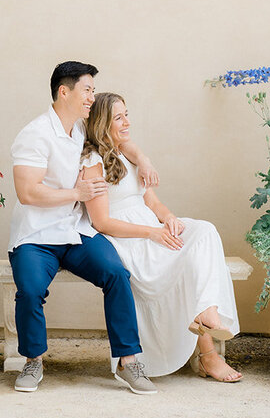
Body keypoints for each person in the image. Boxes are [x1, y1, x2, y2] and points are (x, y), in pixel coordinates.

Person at [9, 62, 159, 395]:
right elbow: (28, 192)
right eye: (87, 90)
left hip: (76, 233)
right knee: (31, 290)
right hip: (36, 237)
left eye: (93, 90)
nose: (92, 97)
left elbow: (118, 138)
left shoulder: (80, 130)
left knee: (116, 274)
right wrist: (77, 194)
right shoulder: (34, 134)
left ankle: (129, 362)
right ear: (65, 92)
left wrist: (144, 158)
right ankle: (33, 360)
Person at [80, 92, 242, 383]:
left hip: (152, 229)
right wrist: (152, 232)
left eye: (127, 114)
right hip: (129, 240)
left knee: (204, 231)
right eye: (119, 117)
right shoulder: (93, 162)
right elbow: (101, 222)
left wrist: (168, 219)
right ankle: (209, 356)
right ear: (103, 123)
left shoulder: (128, 156)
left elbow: (153, 204)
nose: (127, 122)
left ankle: (207, 310)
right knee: (186, 262)